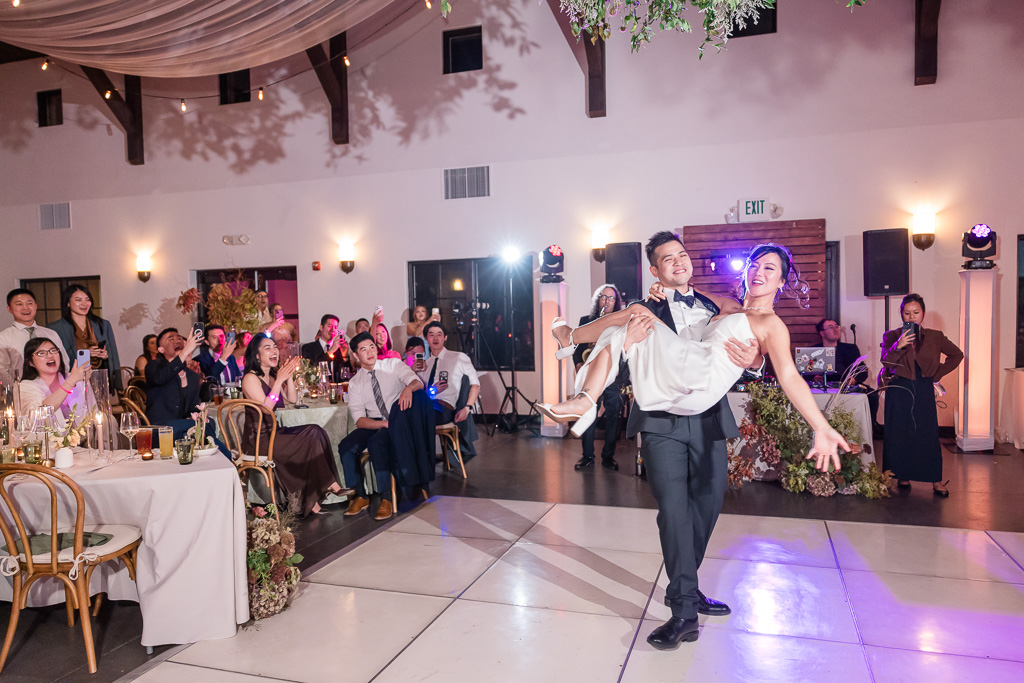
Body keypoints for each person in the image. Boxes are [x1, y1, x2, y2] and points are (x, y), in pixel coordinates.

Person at [544, 235, 849, 651]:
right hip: (660, 416)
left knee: (706, 505)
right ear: (655, 270)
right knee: (673, 512)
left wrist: (816, 420)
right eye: (755, 265)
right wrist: (653, 303)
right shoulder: (716, 303)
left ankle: (684, 585)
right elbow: (679, 297)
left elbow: (788, 374)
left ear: (782, 280)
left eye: (770, 269)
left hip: (706, 417)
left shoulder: (765, 322)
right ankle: (685, 611)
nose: (759, 273)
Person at [241, 333, 349, 516]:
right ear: (257, 355)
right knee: (309, 438)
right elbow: (266, 408)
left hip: (275, 433)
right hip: (259, 439)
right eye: (267, 348)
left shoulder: (272, 377)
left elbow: (291, 399)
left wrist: (288, 377)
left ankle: (322, 491)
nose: (274, 350)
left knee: (316, 431)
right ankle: (324, 489)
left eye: (274, 347)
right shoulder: (250, 378)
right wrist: (279, 380)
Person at [337, 332, 436, 521]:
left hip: (400, 422)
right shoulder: (355, 382)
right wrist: (383, 424)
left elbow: (417, 382)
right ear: (356, 355)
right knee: (346, 447)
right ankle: (360, 496)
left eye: (372, 347)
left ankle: (387, 498)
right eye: (363, 350)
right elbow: (359, 420)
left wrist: (408, 388)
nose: (370, 352)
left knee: (377, 444)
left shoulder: (393, 365)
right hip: (376, 422)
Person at [880, 293, 963, 497]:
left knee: (927, 434)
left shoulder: (935, 336)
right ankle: (903, 476)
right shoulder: (891, 335)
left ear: (923, 314)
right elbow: (886, 362)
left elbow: (957, 355)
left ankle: (936, 480)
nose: (911, 317)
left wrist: (937, 373)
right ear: (901, 314)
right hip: (898, 390)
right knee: (898, 433)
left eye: (916, 312)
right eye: (907, 313)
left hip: (923, 388)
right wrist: (898, 345)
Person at [571, 284, 627, 472]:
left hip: (612, 376)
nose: (607, 301)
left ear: (615, 302)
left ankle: (608, 456)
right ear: (598, 299)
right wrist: (578, 363)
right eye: (603, 297)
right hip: (591, 376)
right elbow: (577, 347)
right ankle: (587, 456)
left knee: (613, 418)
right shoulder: (586, 321)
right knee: (588, 415)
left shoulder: (621, 322)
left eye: (611, 298)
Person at [419, 321, 481, 462]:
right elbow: (422, 394)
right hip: (425, 406)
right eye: (431, 335)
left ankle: (425, 462)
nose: (435, 338)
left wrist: (467, 408)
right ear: (426, 338)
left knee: (416, 421)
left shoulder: (458, 357)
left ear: (445, 338)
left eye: (439, 334)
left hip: (443, 409)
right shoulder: (425, 365)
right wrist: (432, 390)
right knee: (406, 419)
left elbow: (475, 385)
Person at [48, 284, 123, 392]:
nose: (84, 303)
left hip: (99, 377)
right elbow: (57, 358)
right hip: (71, 380)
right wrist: (86, 354)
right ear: (68, 303)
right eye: (78, 300)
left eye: (87, 300)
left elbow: (113, 353)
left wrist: (105, 357)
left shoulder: (103, 324)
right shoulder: (56, 328)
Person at [145, 328, 215, 443]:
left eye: (179, 338)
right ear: (161, 349)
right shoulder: (154, 366)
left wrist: (197, 416)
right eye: (171, 339)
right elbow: (162, 377)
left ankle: (211, 450)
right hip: (160, 426)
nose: (177, 341)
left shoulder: (192, 375)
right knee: (198, 428)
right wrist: (185, 351)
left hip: (182, 426)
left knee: (208, 422)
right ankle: (221, 452)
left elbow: (193, 406)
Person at [817, 317, 881, 436]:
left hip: (847, 385)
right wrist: (813, 378)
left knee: (872, 395)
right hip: (823, 386)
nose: (836, 329)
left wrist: (854, 380)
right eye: (830, 327)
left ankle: (869, 430)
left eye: (836, 326)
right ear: (822, 333)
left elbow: (862, 370)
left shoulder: (850, 349)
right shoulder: (814, 350)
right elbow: (802, 373)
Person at [18, 338, 91, 428]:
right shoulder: (25, 387)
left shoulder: (76, 378)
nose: (50, 355)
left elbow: (92, 412)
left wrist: (82, 383)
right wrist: (70, 382)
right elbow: (39, 415)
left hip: (82, 435)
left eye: (53, 351)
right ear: (30, 362)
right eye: (41, 353)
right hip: (48, 437)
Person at [0, 288, 69, 379]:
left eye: (29, 303)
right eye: (19, 304)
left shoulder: (51, 334)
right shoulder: (3, 338)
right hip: (21, 386)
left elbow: (64, 363)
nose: (25, 307)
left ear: (35, 306)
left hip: (53, 386)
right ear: (9, 309)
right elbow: (2, 370)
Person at [301, 314, 346, 381]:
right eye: (329, 326)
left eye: (335, 327)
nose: (332, 330)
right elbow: (311, 369)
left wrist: (345, 355)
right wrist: (330, 352)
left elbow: (344, 374)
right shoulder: (308, 347)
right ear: (321, 327)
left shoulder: (337, 349)